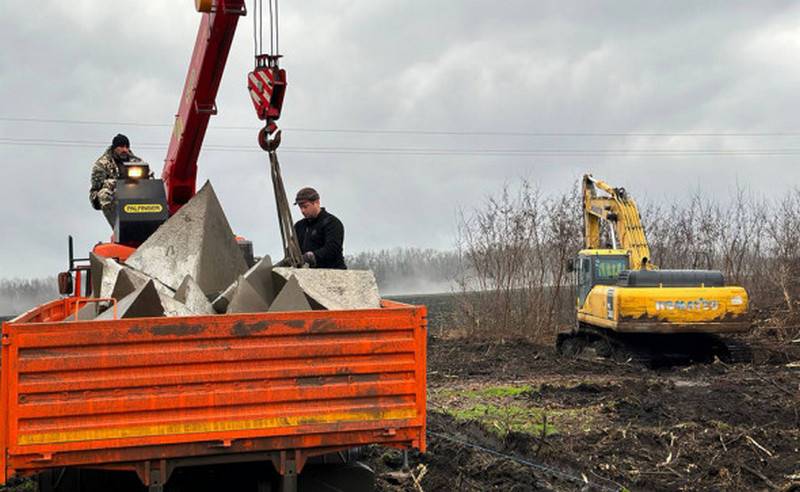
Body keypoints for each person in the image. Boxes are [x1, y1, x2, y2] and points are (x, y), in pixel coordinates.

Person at [89, 134, 141, 227]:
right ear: (114, 148)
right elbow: (98, 186)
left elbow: (148, 176)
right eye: (121, 147)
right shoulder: (102, 164)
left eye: (127, 147)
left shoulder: (135, 161)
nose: (125, 150)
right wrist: (117, 183)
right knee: (104, 194)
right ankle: (118, 228)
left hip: (132, 190)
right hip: (110, 193)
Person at [293, 187, 346, 269]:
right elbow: (293, 249)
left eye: (306, 206)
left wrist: (312, 256)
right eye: (300, 207)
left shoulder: (332, 223)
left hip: (332, 272)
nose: (302, 211)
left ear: (317, 202)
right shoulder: (299, 226)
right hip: (307, 274)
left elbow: (332, 249)